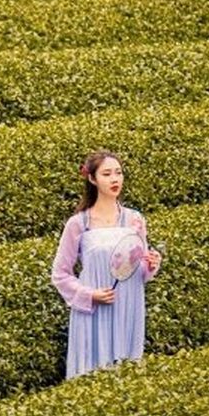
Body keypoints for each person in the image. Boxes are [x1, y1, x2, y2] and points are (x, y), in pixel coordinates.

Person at [50, 150, 162, 379]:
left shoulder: (135, 220)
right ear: (92, 179)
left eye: (118, 173)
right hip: (95, 308)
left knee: (127, 372)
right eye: (107, 174)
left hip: (128, 303)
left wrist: (151, 264)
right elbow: (60, 273)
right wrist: (89, 294)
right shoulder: (78, 223)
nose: (114, 179)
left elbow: (137, 269)